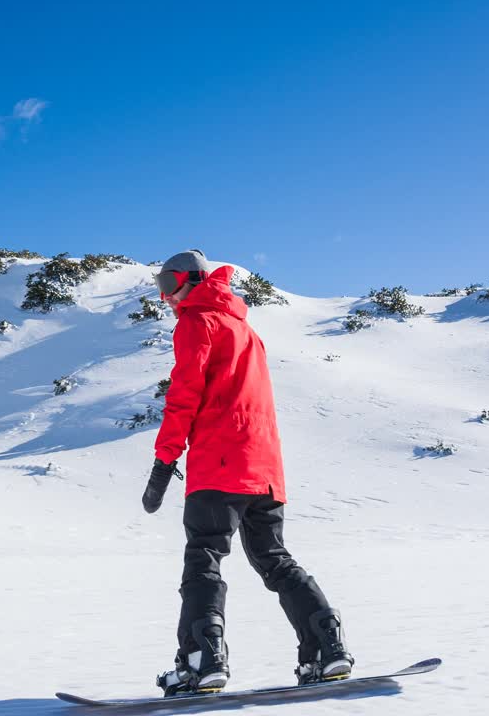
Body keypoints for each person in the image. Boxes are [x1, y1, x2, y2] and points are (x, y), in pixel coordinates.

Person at [141, 249, 354, 695]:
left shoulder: (197, 323)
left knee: (204, 556)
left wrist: (165, 460)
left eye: (167, 285)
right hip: (264, 469)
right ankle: (325, 648)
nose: (164, 298)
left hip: (219, 466)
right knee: (274, 559)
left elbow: (184, 395)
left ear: (189, 281)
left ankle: (201, 662)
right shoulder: (246, 330)